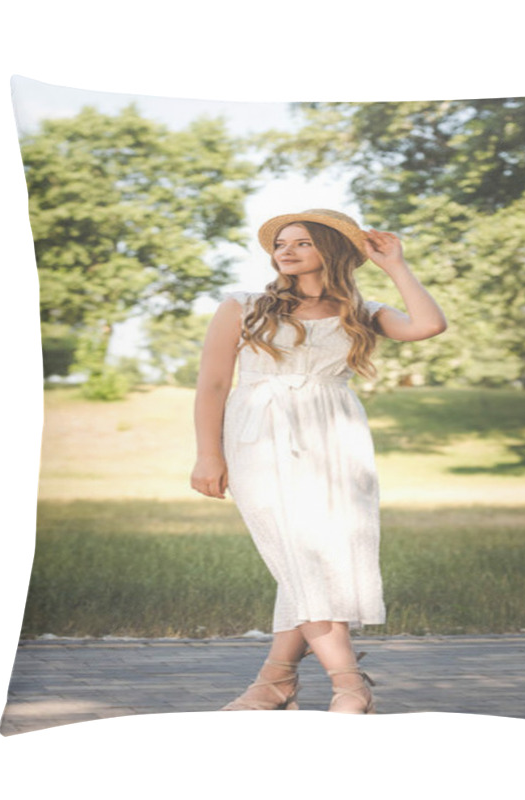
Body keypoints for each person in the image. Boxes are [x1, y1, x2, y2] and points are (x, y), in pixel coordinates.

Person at [190, 208, 447, 713]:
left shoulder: (361, 311)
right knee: (297, 556)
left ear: (330, 250)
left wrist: (395, 265)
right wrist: (207, 453)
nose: (285, 250)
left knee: (323, 560)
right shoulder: (242, 306)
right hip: (257, 438)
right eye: (281, 243)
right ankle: (350, 683)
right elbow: (214, 384)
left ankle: (274, 682)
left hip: (336, 439)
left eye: (302, 243)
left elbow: (428, 325)